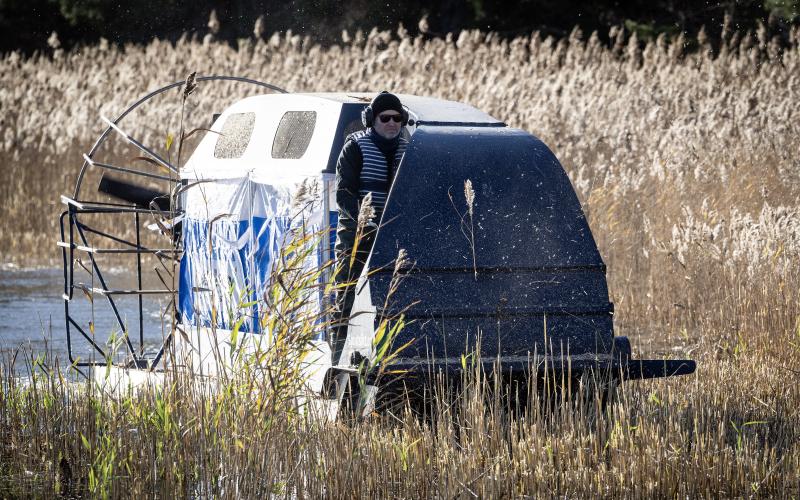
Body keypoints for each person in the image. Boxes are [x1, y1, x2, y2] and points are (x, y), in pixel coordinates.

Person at [331, 91, 409, 364]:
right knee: (347, 296)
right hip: (357, 236)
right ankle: (337, 360)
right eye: (385, 117)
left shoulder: (409, 152)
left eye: (397, 118)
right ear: (371, 120)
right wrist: (366, 222)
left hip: (395, 239)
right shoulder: (355, 148)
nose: (392, 123)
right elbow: (343, 195)